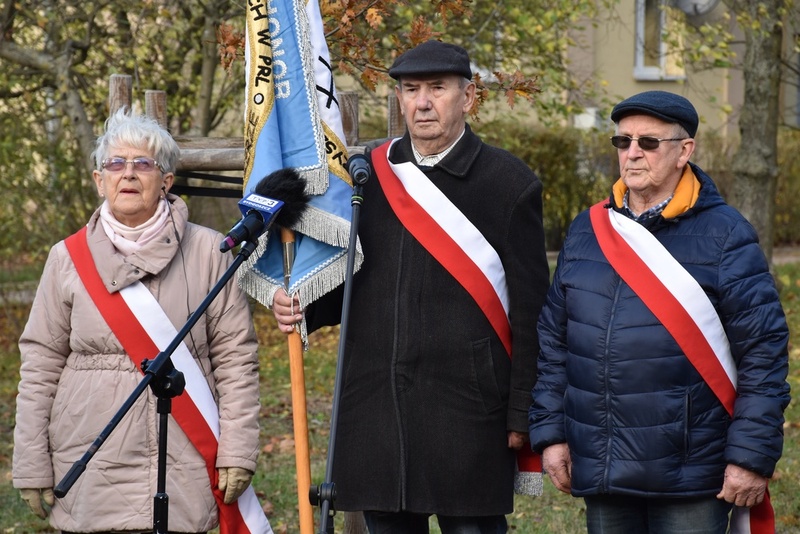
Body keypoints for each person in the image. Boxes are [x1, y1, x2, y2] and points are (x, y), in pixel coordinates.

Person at [272, 40, 550, 533]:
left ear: (468, 97)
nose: (422, 102)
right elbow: (346, 280)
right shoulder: (366, 178)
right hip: (379, 409)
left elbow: (532, 313)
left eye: (437, 88)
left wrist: (522, 411)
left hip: (468, 412)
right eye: (410, 89)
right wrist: (301, 304)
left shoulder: (510, 184)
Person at [528, 90, 791, 533]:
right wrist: (552, 434)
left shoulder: (726, 235)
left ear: (684, 151)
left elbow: (763, 354)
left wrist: (750, 456)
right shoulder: (588, 230)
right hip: (604, 465)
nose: (632, 153)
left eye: (648, 142)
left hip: (689, 471)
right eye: (623, 141)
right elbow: (555, 344)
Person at [13, 108, 266, 533]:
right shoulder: (65, 259)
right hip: (90, 455)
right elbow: (40, 365)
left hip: (182, 457)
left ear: (166, 180)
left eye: (143, 164)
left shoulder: (211, 252)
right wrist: (31, 461)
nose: (127, 173)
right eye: (116, 163)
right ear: (100, 180)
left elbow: (236, 359)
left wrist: (238, 451)